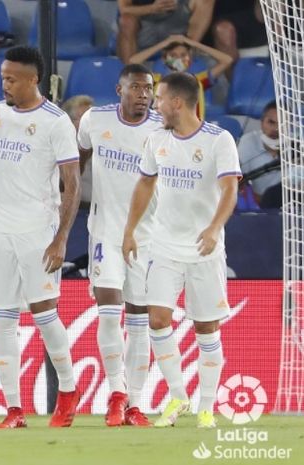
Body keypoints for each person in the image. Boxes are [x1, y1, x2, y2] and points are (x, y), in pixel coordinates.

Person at [123, 72, 241, 428]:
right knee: (157, 319)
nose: (155, 105)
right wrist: (130, 231)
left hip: (204, 250)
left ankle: (207, 406)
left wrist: (214, 227)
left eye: (159, 99)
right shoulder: (156, 139)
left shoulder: (219, 140)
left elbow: (230, 190)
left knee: (206, 328)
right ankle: (178, 396)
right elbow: (145, 183)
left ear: (177, 103)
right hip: (163, 247)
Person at [0, 46, 82, 428]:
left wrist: (60, 238)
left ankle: (69, 390)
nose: (4, 83)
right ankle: (14, 409)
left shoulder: (56, 122)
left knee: (44, 313)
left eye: (11, 78)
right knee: (4, 319)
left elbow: (72, 184)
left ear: (32, 80)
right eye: (3, 76)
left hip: (37, 231)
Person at [76, 64, 163, 427]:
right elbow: (74, 167)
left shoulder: (162, 128)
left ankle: (136, 402)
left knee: (139, 320)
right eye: (137, 88)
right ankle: (116, 393)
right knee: (110, 309)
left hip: (147, 236)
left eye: (148, 89)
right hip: (106, 232)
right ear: (119, 89)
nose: (143, 94)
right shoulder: (93, 120)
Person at [129, 34, 233, 120]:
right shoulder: (156, 81)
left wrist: (194, 44)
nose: (179, 59)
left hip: (192, 134)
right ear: (165, 58)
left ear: (190, 59)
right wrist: (163, 44)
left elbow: (227, 60)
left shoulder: (198, 81)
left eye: (183, 55)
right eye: (173, 55)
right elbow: (132, 61)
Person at [117, 0, 215, 64]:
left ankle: (187, 51)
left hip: (176, 24)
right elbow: (124, 9)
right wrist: (152, 8)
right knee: (126, 20)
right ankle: (129, 76)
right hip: (144, 26)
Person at [238, 100, 281, 207]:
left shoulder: (297, 147)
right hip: (258, 207)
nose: (276, 129)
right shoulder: (248, 142)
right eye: (271, 122)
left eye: (283, 124)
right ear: (262, 122)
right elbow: (240, 182)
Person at [61, 95, 94, 208]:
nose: (89, 122)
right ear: (69, 122)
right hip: (74, 206)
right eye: (82, 118)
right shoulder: (62, 146)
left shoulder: (103, 143)